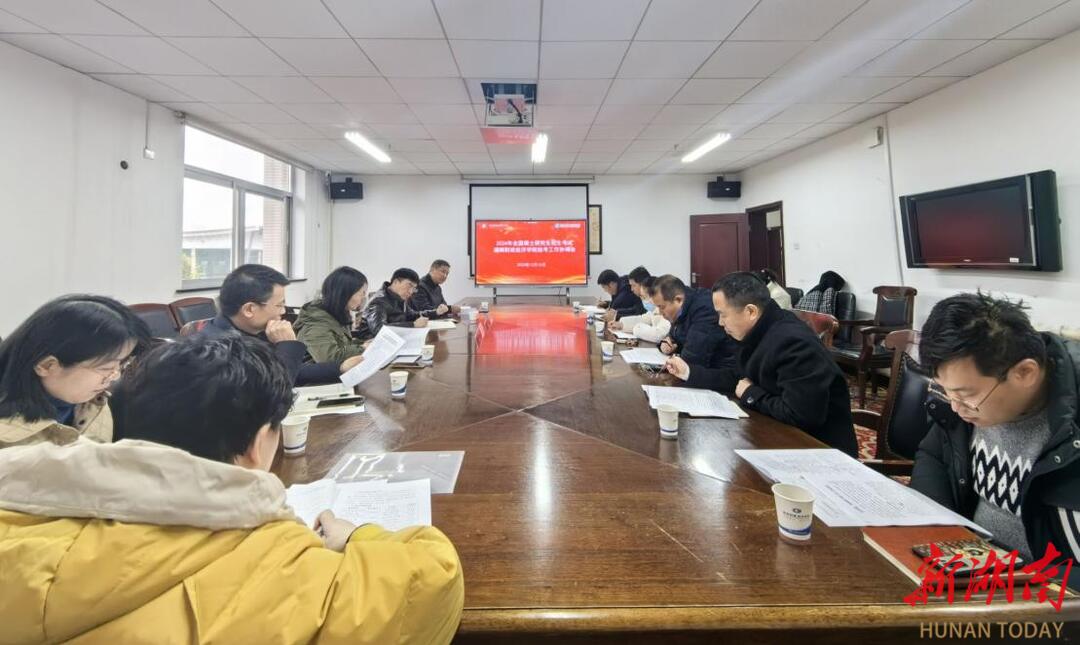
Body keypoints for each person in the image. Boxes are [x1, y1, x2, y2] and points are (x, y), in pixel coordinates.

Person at [0, 335, 464, 642]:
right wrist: (358, 534)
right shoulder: (293, 570)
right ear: (261, 443)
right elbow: (432, 577)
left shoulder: (19, 518)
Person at [911, 293, 1080, 565]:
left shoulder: (1069, 432)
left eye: (966, 395)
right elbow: (933, 455)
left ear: (1025, 373)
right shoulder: (967, 403)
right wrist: (940, 529)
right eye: (945, 391)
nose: (955, 407)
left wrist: (1025, 581)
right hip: (969, 561)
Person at [665, 272, 857, 456]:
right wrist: (689, 372)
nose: (720, 323)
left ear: (750, 311)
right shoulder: (757, 329)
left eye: (723, 315)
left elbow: (801, 415)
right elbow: (738, 378)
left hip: (818, 450)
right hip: (779, 434)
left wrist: (751, 394)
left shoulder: (794, 342)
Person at [0, 295, 149, 448]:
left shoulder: (94, 403)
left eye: (122, 363)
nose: (115, 376)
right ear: (46, 366)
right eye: (106, 368)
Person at [199, 264, 363, 386]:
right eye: (279, 305)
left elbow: (293, 372)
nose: (283, 311)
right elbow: (274, 391)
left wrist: (340, 368)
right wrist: (287, 345)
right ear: (249, 309)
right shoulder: (219, 350)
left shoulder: (251, 331)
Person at [652, 274, 736, 369]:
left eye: (662, 307)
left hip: (719, 371)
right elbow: (675, 336)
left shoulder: (704, 309)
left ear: (678, 300)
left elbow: (693, 358)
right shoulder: (682, 308)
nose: (660, 312)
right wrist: (666, 342)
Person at [294, 266, 372, 363]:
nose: (364, 297)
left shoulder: (338, 312)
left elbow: (342, 344)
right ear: (345, 293)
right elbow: (329, 359)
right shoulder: (316, 322)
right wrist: (363, 348)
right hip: (317, 371)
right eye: (362, 293)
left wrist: (364, 343)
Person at [357, 268, 441, 339]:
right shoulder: (378, 301)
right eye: (409, 285)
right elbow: (380, 330)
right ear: (396, 282)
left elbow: (411, 315)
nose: (411, 291)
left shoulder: (399, 297)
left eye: (414, 288)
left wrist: (435, 312)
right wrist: (413, 325)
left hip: (395, 339)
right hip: (371, 344)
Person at [610, 276, 671, 343]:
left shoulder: (668, 311)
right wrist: (621, 324)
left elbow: (659, 335)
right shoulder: (655, 309)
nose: (642, 300)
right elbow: (643, 319)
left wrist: (637, 328)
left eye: (644, 297)